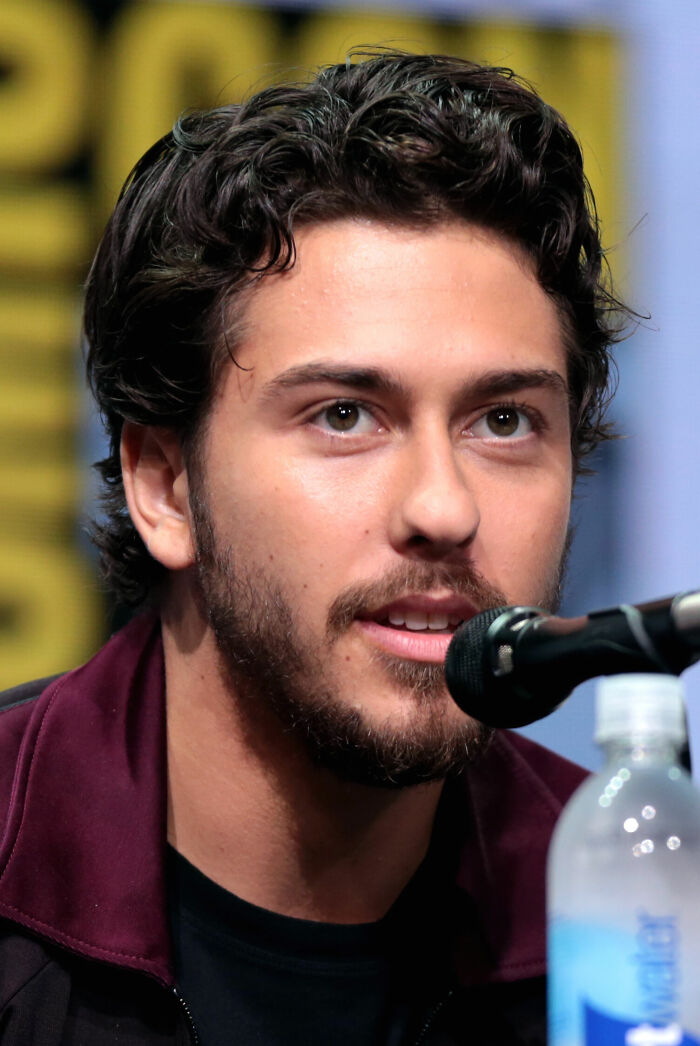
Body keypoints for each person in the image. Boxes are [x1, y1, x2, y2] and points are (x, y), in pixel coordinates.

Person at [0, 51, 624, 1044]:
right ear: (165, 485)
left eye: (503, 421)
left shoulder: (642, 923)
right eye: (344, 414)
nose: (442, 507)